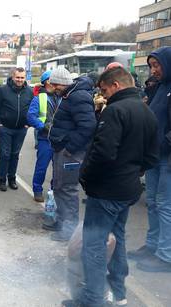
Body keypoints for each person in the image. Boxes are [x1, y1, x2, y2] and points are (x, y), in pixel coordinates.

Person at [76, 67, 159, 306]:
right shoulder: (147, 111)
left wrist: (86, 177)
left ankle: (93, 299)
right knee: (118, 238)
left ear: (116, 86)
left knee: (94, 245)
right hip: (127, 190)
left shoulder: (115, 111)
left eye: (104, 90)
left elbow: (102, 153)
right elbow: (152, 157)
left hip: (106, 191)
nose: (103, 96)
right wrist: (133, 172)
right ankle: (118, 294)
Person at [128, 46, 171, 272]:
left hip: (167, 159)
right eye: (151, 66)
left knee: (165, 206)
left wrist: (160, 145)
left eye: (157, 65)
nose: (154, 70)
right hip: (155, 157)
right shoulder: (161, 88)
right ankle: (153, 246)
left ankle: (166, 255)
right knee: (153, 203)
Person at [47, 67, 96, 241]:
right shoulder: (69, 95)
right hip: (63, 150)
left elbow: (88, 126)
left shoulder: (78, 97)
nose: (53, 87)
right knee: (59, 187)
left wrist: (70, 148)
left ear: (63, 83)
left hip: (70, 153)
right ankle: (61, 222)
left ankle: (69, 230)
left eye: (54, 84)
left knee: (67, 189)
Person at [0, 67, 34, 191]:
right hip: (5, 128)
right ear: (13, 77)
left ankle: (11, 178)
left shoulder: (29, 92)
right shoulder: (2, 90)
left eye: (22, 77)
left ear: (25, 78)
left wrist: (28, 124)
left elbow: (32, 109)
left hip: (21, 129)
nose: (20, 80)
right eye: (17, 77)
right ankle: (2, 180)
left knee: (15, 154)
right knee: (5, 155)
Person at [27, 70, 58, 202]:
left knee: (57, 168)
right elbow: (30, 116)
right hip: (45, 138)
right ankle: (37, 190)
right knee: (42, 166)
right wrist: (43, 127)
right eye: (53, 80)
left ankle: (53, 190)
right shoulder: (39, 98)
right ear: (47, 82)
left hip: (59, 138)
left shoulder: (61, 96)